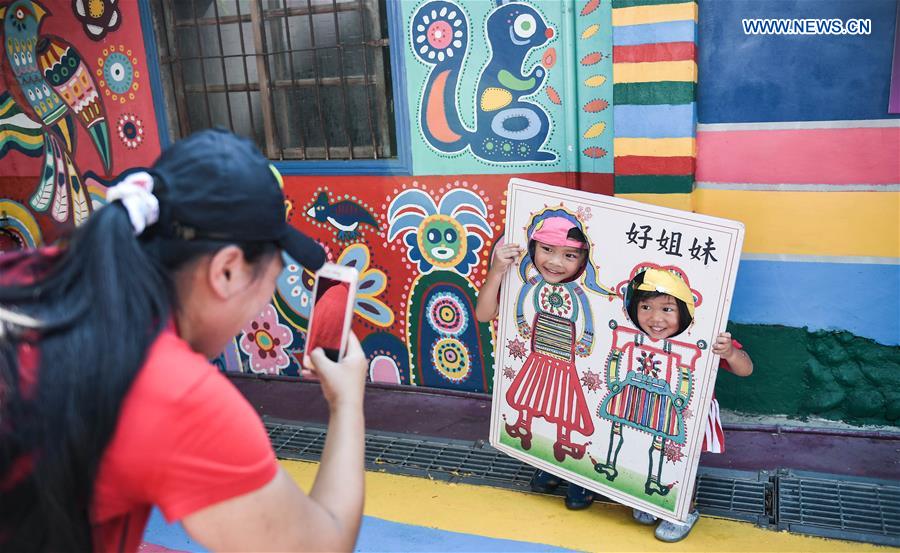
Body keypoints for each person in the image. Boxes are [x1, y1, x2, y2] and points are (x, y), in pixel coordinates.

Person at [0, 129, 368, 552]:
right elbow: (320, 546)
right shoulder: (173, 392)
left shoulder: (30, 275)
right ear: (226, 271)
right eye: (273, 276)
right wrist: (347, 403)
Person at [598, 268, 753, 543]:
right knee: (634, 441)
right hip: (637, 400)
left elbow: (746, 370)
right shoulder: (631, 334)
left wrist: (729, 352)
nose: (655, 318)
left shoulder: (701, 338)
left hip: (673, 407)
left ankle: (682, 511)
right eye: (645, 307)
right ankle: (646, 495)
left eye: (667, 309)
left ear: (685, 310)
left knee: (677, 458)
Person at [476, 214, 610, 511]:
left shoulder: (579, 291)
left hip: (565, 354)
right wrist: (496, 272)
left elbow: (588, 317)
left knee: (564, 401)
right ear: (533, 247)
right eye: (547, 249)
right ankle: (546, 457)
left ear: (584, 259)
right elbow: (484, 314)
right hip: (540, 348)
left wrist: (586, 338)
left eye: (569, 255)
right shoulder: (528, 282)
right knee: (535, 394)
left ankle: (580, 474)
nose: (556, 262)